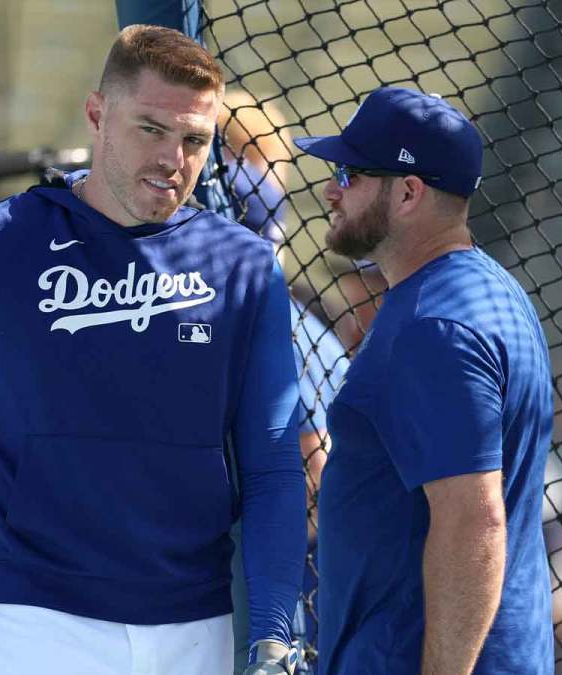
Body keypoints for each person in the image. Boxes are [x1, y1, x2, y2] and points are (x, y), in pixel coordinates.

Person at [0, 25, 305, 675]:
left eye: (194, 141)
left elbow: (272, 465)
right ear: (97, 114)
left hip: (197, 629)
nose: (174, 159)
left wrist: (275, 637)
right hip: (36, 625)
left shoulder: (245, 268)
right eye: (151, 129)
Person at [295, 86, 555, 674]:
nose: (331, 190)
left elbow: (472, 523)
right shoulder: (488, 290)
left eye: (350, 174)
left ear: (409, 192)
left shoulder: (432, 328)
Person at [218, 90, 351, 673]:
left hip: (293, 594)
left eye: (268, 162)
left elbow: (315, 472)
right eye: (240, 157)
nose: (262, 180)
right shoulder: (262, 313)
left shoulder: (278, 318)